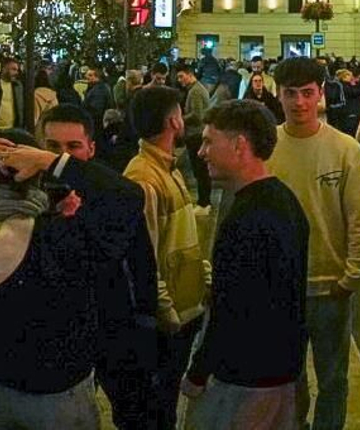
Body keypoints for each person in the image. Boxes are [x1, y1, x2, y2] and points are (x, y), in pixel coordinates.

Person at [0, 131, 99, 429]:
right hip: (56, 389)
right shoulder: (57, 236)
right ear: (36, 173)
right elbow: (127, 196)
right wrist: (53, 163)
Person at [183, 99, 309, 430]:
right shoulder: (284, 201)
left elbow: (232, 309)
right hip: (279, 371)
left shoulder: (248, 219)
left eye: (210, 141)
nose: (201, 152)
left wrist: (198, 372)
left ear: (240, 146)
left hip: (245, 379)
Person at [264, 58, 360, 430]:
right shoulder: (267, 149)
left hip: (331, 287)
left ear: (320, 94)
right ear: (278, 95)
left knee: (333, 380)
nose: (299, 103)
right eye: (290, 94)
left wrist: (353, 275)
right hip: (281, 288)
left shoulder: (345, 149)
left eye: (307, 93)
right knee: (287, 381)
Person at [38, 104, 161, 430]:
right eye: (52, 147)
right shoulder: (32, 197)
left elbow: (141, 260)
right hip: (60, 333)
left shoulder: (111, 192)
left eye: (72, 147)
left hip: (112, 324)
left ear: (91, 148)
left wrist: (148, 320)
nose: (62, 155)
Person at [121, 85, 208, 430]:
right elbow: (144, 254)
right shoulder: (144, 177)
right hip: (167, 320)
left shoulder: (166, 167)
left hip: (183, 311)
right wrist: (167, 310)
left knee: (166, 403)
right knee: (158, 408)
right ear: (174, 120)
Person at [175, 65, 213, 208]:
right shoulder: (196, 89)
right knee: (200, 171)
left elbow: (197, 115)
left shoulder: (195, 91)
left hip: (196, 135)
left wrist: (180, 118)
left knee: (200, 171)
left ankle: (204, 203)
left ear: (190, 75)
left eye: (181, 76)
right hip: (196, 134)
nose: (180, 80)